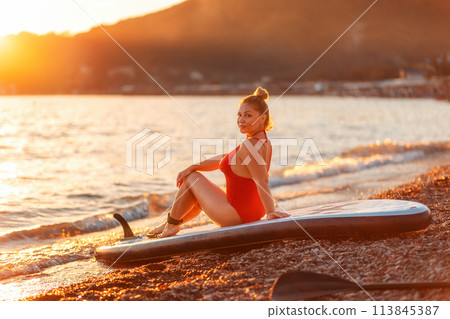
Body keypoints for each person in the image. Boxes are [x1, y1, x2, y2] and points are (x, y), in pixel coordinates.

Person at [148, 87, 290, 238]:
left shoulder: (250, 145)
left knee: (191, 179)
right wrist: (194, 166)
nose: (241, 120)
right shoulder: (261, 141)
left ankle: (171, 225)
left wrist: (271, 211)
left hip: (238, 214)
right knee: (194, 189)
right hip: (254, 210)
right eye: (239, 115)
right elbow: (225, 157)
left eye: (248, 116)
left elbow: (262, 179)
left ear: (262, 118)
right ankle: (171, 223)